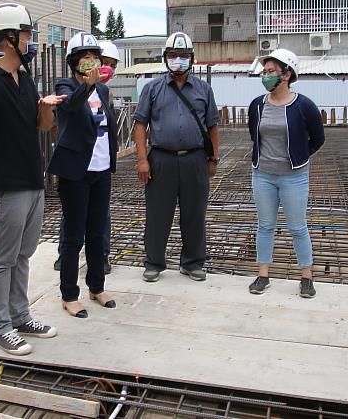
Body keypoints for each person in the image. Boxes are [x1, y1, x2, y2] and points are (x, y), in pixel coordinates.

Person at [0, 3, 66, 356]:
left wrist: (47, 107)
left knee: (23, 254)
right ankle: (1, 327)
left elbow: (42, 126)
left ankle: (21, 316)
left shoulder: (26, 79)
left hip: (32, 178)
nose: (30, 43)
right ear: (9, 39)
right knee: (3, 257)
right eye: (26, 36)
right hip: (6, 183)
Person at [133, 32, 220, 282]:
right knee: (158, 213)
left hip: (195, 159)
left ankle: (192, 263)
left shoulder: (204, 89)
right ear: (165, 58)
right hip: (161, 158)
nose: (178, 60)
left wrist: (213, 159)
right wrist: (142, 159)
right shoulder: (152, 89)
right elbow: (140, 124)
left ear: (192, 59)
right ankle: (154, 262)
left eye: (183, 56)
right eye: (173, 56)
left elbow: (213, 126)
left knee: (194, 214)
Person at [48, 33, 118, 318]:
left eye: (95, 57)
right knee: (74, 235)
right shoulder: (65, 86)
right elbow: (68, 107)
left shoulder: (102, 91)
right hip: (76, 171)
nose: (91, 62)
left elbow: (107, 123)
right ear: (74, 62)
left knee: (97, 232)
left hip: (100, 169)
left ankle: (96, 287)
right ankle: (69, 294)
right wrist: (87, 85)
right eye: (85, 57)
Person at [247, 49, 325, 298]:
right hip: (263, 175)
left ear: (287, 74)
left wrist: (300, 156)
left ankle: (306, 277)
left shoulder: (303, 105)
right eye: (265, 71)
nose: (266, 76)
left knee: (297, 227)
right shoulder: (257, 105)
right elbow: (254, 135)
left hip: (294, 176)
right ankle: (263, 274)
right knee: (265, 225)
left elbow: (318, 138)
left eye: (271, 71)